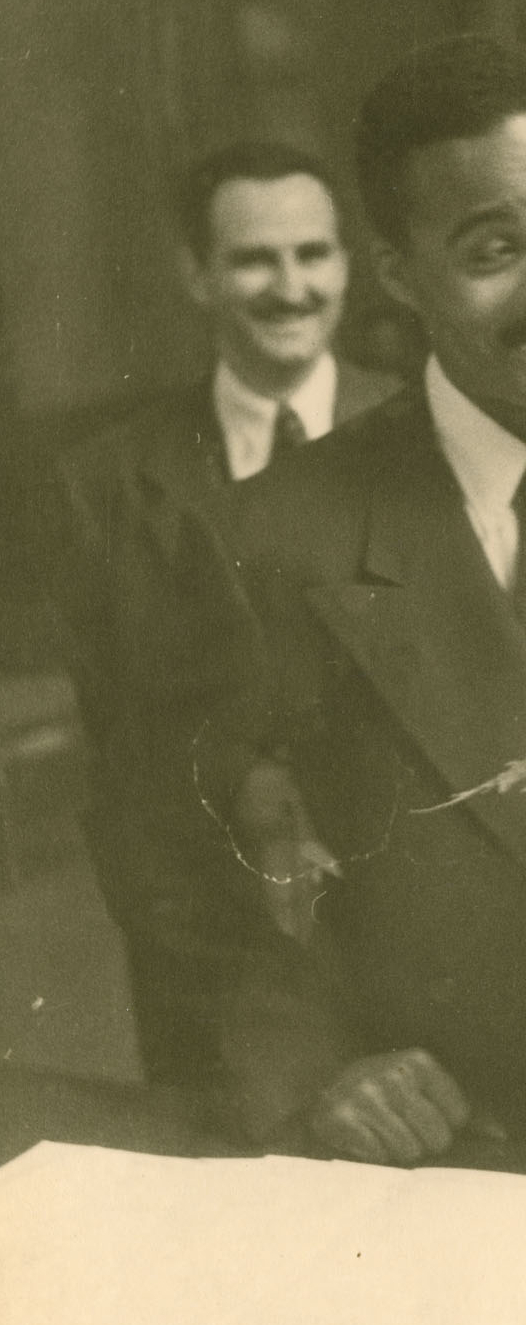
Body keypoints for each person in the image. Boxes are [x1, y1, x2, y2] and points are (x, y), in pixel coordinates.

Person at [180, 33, 526, 1164]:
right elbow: (196, 859)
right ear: (394, 272)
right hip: (435, 1158)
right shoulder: (280, 532)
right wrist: (317, 1070)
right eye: (493, 248)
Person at [42, 140, 398, 1086]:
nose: (291, 287)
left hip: (418, 969)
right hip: (215, 995)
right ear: (197, 275)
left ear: (347, 266)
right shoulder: (107, 485)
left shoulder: (423, 442)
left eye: (312, 254)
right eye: (253, 259)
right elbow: (128, 776)